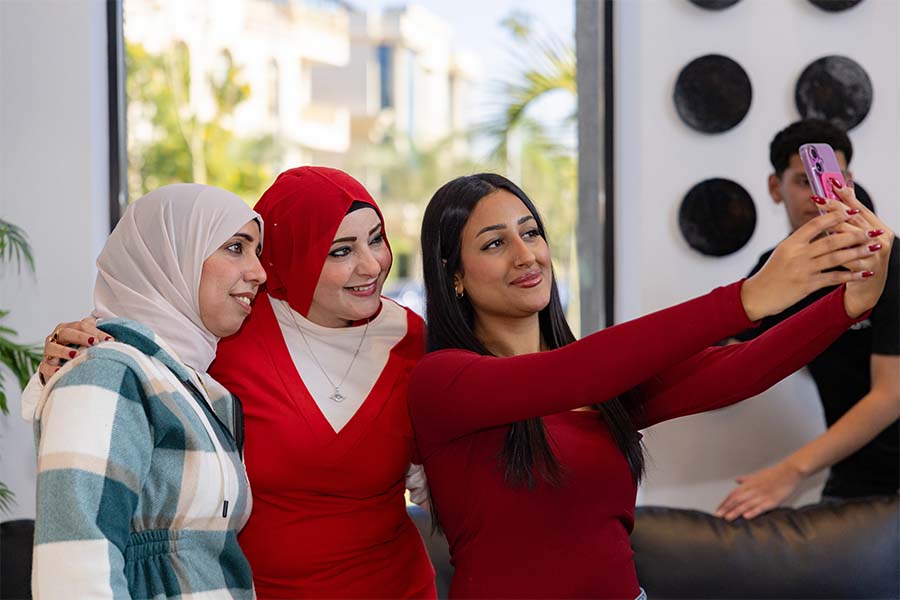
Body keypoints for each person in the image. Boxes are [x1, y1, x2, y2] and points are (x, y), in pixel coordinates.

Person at [408, 173, 893, 599]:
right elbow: (571, 374)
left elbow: (738, 369)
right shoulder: (443, 381)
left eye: (530, 232)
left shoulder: (601, 383)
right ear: (454, 276)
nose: (525, 255)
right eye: (494, 244)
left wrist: (849, 305)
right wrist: (746, 299)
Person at [30, 167, 435, 598]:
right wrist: (65, 361)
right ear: (295, 255)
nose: (372, 265)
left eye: (377, 238)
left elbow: (436, 470)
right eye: (340, 250)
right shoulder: (227, 330)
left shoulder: (410, 337)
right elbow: (78, 550)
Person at [31, 184, 265, 598]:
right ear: (172, 255)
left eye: (257, 252)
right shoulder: (108, 373)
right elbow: (74, 570)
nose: (259, 272)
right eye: (235, 247)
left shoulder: (194, 387)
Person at [715, 120, 899, 521]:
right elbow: (727, 359)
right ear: (774, 187)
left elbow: (892, 394)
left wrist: (789, 472)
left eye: (836, 179)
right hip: (856, 478)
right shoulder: (777, 270)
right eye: (804, 181)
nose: (822, 194)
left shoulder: (887, 258)